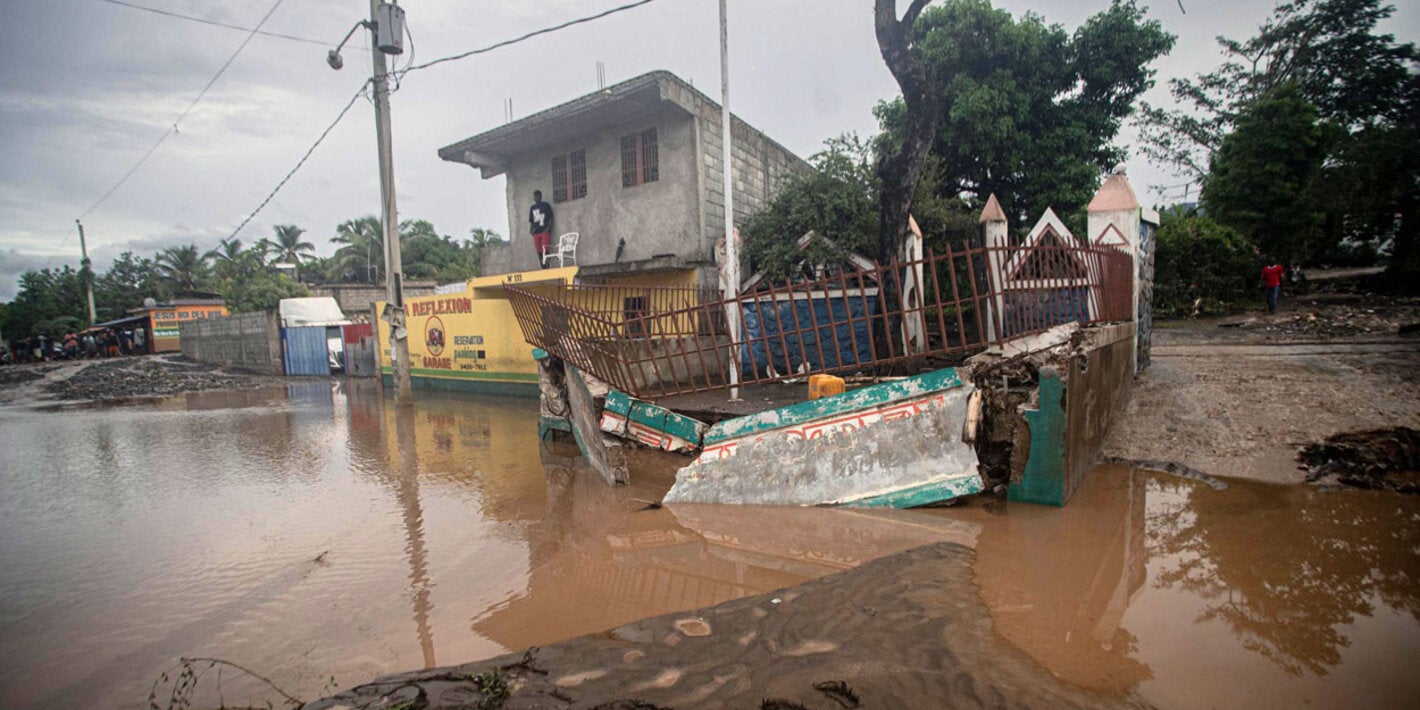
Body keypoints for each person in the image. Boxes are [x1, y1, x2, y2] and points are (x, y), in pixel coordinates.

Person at [528, 189, 554, 268]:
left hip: (544, 231)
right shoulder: (532, 208)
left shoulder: (546, 205)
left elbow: (551, 218)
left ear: (540, 196)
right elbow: (531, 220)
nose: (536, 198)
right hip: (536, 232)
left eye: (537, 196)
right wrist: (531, 230)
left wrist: (548, 228)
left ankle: (547, 265)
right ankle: (542, 266)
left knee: (545, 249)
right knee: (539, 250)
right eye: (535, 196)